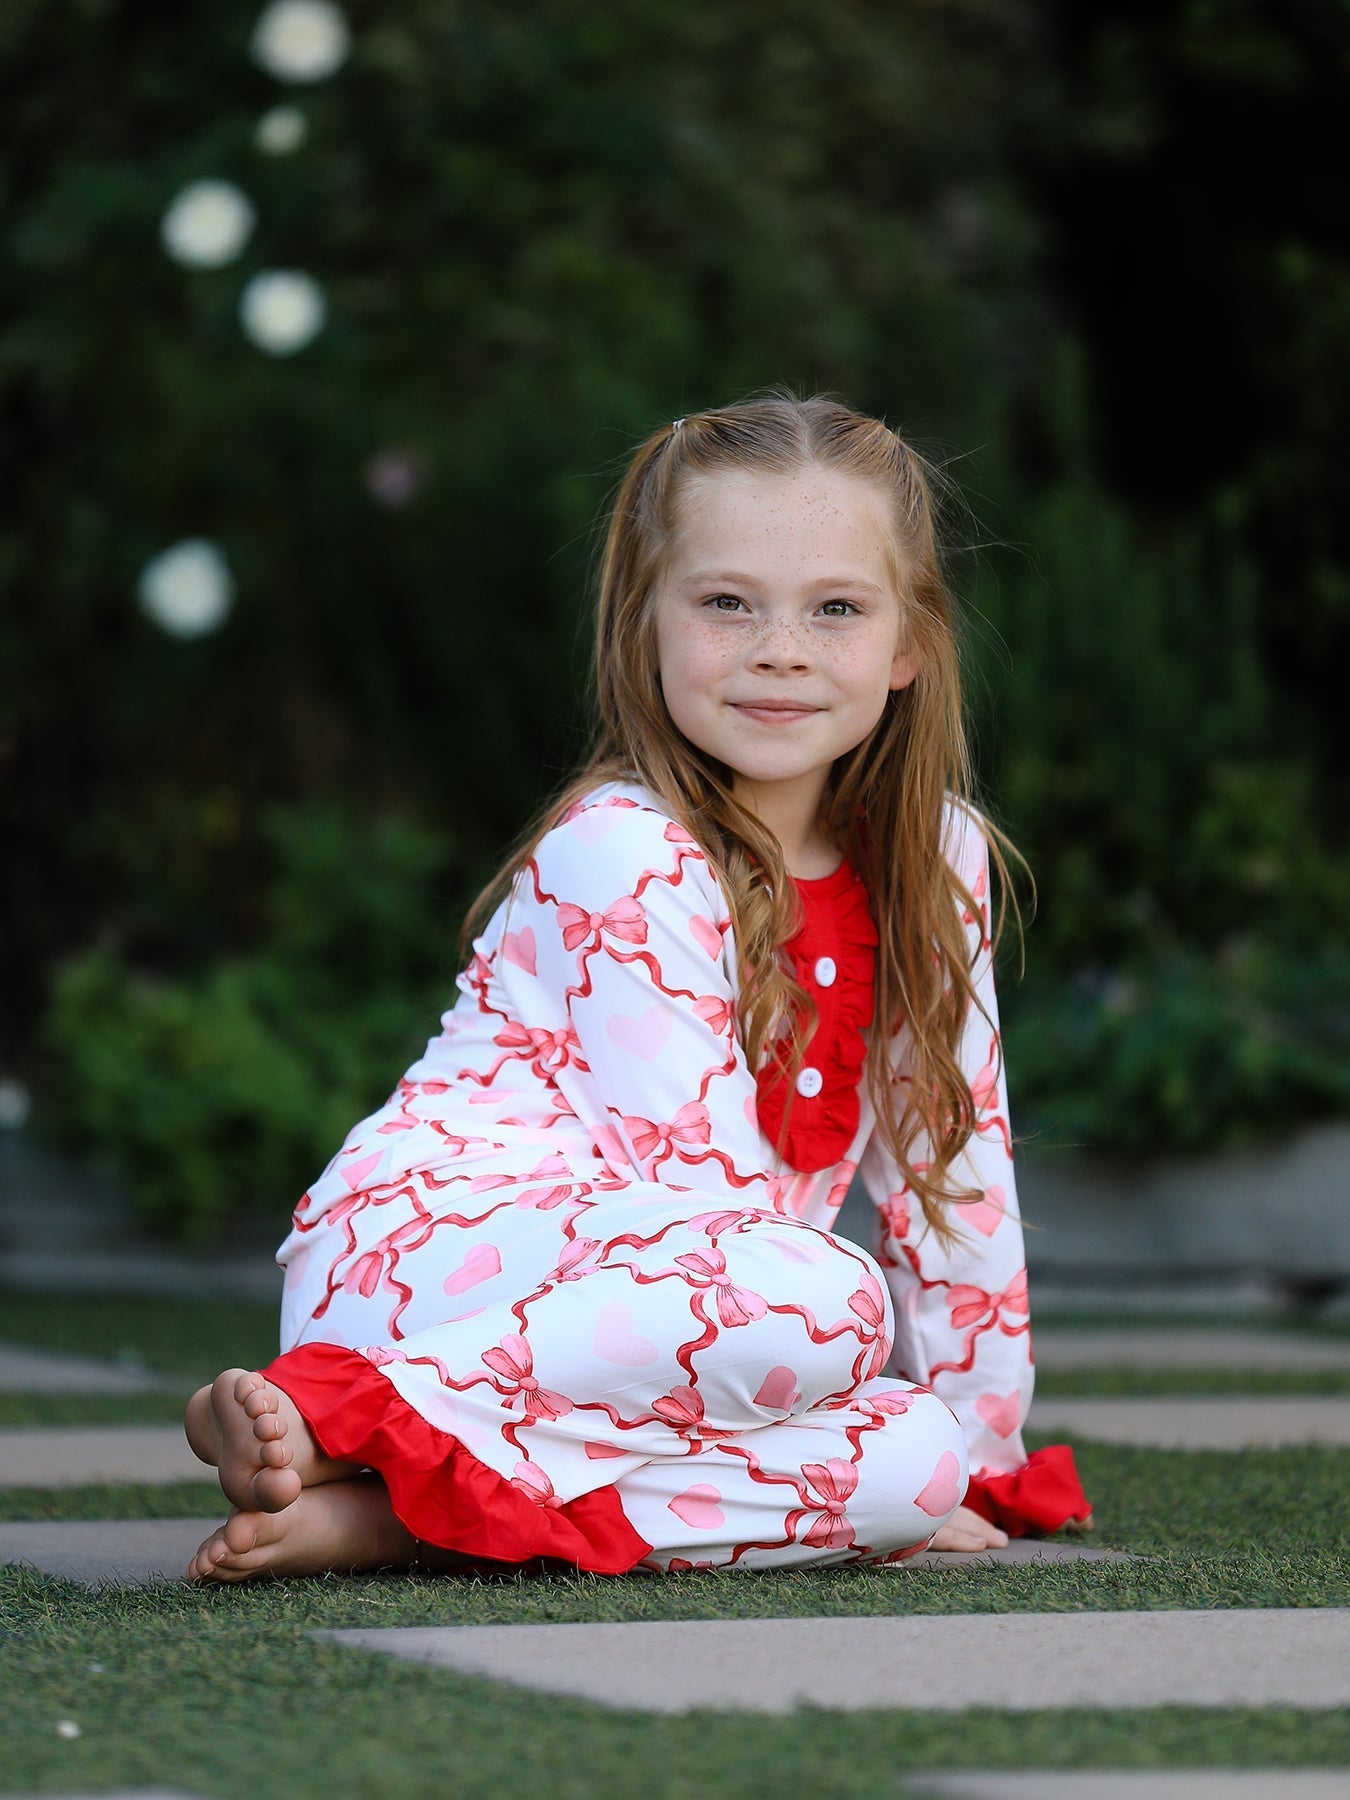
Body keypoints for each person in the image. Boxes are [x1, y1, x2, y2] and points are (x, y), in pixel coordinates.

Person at [184, 388, 1091, 1581]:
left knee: (912, 1463)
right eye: (726, 604)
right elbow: (692, 1210)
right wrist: (822, 1328)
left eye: (837, 609)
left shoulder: (938, 854)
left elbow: (956, 1173)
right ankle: (344, 1410)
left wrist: (980, 1450)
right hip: (450, 1274)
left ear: (911, 643)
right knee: (835, 1303)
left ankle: (391, 1515)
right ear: (645, 623)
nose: (781, 648)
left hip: (689, 1335)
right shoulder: (627, 847)